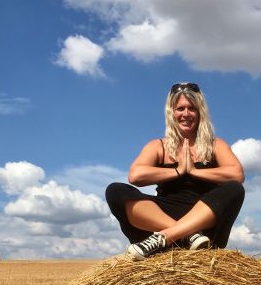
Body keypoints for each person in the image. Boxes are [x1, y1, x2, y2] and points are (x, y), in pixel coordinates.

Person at [105, 83, 245, 260]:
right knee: (115, 190)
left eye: (192, 108)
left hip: (204, 219)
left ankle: (167, 236)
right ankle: (185, 235)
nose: (186, 114)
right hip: (163, 218)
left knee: (234, 189)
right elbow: (135, 175)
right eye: (180, 109)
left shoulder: (215, 145)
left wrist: (193, 171)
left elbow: (237, 174)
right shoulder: (158, 146)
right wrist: (179, 171)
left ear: (200, 112)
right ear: (172, 113)